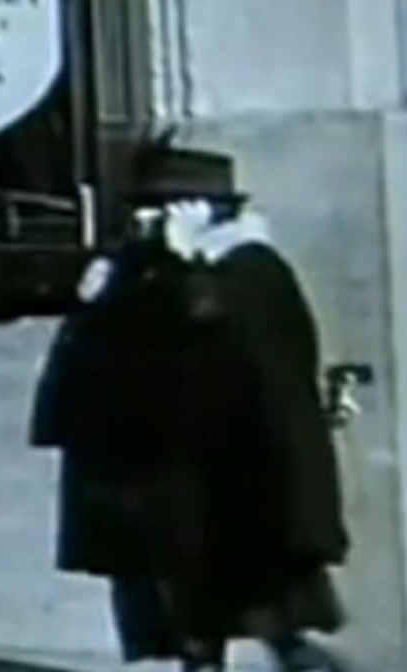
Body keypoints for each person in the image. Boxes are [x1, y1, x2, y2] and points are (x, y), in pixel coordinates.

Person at [31, 146, 350, 672]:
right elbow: (104, 357)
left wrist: (181, 266)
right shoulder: (145, 269)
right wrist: (92, 303)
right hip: (160, 469)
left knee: (242, 601)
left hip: (229, 469)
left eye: (165, 206)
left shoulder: (249, 269)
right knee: (181, 606)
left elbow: (216, 337)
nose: (149, 219)